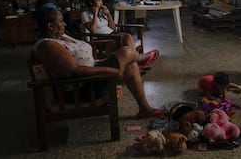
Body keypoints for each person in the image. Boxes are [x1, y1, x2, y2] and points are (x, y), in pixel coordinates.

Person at [32, 7, 163, 119]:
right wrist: (113, 71)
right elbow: (75, 71)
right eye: (61, 21)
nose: (65, 24)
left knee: (130, 63)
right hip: (83, 87)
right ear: (50, 26)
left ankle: (145, 109)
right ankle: (141, 58)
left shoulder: (58, 38)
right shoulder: (47, 46)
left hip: (91, 74)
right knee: (126, 52)